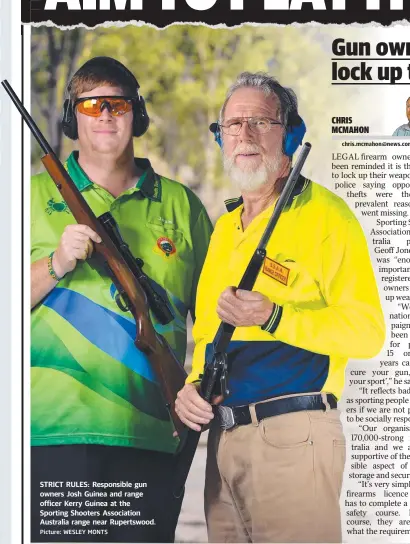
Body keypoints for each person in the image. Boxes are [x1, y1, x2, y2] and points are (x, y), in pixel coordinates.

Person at [175, 72, 385, 543]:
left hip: (293, 435)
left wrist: (274, 316)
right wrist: (192, 387)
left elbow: (368, 332)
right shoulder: (226, 229)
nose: (244, 135)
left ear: (289, 132)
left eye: (260, 122)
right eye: (232, 125)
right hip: (223, 444)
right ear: (220, 138)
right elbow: (210, 333)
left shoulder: (327, 216)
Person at [30, 56, 213, 543]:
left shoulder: (181, 205)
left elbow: (216, 315)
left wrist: (196, 390)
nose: (107, 114)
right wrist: (55, 264)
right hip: (53, 435)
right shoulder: (26, 197)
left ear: (138, 115)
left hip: (154, 435)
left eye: (119, 104)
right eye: (92, 105)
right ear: (72, 117)